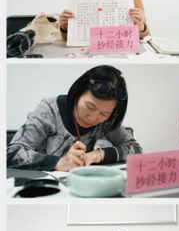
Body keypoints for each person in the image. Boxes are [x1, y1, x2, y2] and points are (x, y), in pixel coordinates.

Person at [7, 65, 141, 172]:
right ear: (78, 93)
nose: (94, 118)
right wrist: (58, 162)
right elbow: (13, 152)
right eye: (90, 106)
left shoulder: (106, 122)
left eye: (104, 113)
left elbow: (135, 148)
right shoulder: (49, 110)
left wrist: (99, 154)